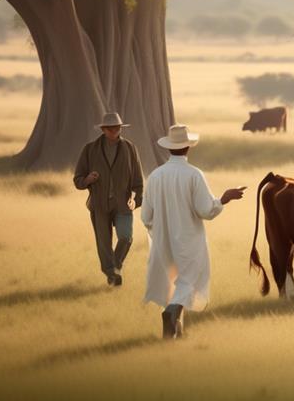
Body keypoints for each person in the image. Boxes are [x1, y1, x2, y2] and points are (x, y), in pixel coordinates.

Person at [141, 124, 246, 340]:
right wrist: (224, 198)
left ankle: (176, 327)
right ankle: (171, 313)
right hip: (188, 241)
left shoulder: (155, 176)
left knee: (173, 281)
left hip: (162, 241)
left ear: (169, 148)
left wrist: (159, 231)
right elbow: (206, 210)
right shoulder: (193, 175)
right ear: (188, 148)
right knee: (188, 280)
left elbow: (145, 216)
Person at [73, 112, 143, 287]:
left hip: (124, 204)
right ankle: (111, 274)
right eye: (110, 128)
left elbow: (138, 182)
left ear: (121, 128)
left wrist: (135, 199)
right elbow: (78, 180)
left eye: (117, 128)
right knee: (103, 243)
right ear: (103, 129)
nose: (114, 131)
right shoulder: (89, 149)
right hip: (99, 205)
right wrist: (88, 179)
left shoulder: (130, 148)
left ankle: (115, 267)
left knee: (126, 237)